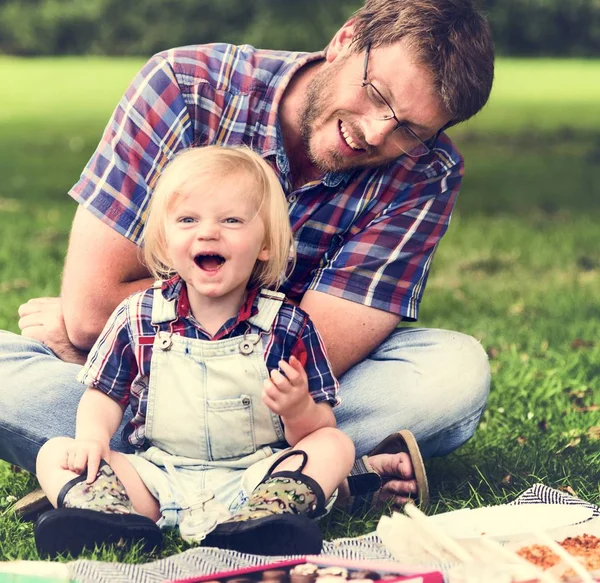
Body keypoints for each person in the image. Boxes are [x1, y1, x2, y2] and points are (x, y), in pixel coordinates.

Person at [1, 0, 494, 516]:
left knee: (452, 372)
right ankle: (319, 479)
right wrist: (109, 333)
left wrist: (109, 348)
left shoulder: (427, 172)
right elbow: (94, 309)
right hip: (184, 396)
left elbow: (312, 355)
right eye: (376, 95)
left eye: (410, 131)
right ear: (345, 40)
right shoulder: (186, 86)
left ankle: (113, 481)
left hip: (282, 403)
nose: (375, 133)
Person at [33, 145, 356, 558]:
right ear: (166, 243)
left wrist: (298, 410)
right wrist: (93, 439)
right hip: (158, 476)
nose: (208, 233)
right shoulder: (138, 316)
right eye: (188, 220)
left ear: (266, 245)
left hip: (254, 478)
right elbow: (104, 394)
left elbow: (318, 425)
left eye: (232, 221)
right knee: (56, 453)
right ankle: (113, 518)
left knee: (334, 445)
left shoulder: (288, 326)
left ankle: (265, 521)